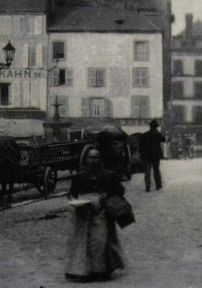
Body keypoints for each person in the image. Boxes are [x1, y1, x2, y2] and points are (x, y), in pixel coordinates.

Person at [65, 149, 126, 282]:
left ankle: (100, 270)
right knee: (84, 241)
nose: (93, 160)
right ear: (86, 159)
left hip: (101, 211)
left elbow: (120, 190)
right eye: (90, 158)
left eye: (96, 158)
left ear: (100, 159)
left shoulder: (108, 175)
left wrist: (107, 194)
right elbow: (71, 193)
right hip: (83, 212)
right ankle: (84, 270)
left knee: (100, 239)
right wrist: (73, 202)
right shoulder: (80, 176)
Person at [138, 120, 165, 192]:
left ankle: (147, 187)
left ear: (150, 126)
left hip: (147, 156)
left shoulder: (145, 135)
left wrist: (141, 154)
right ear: (156, 127)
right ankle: (158, 185)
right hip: (156, 156)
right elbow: (164, 139)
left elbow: (140, 146)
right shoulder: (157, 134)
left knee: (147, 171)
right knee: (156, 170)